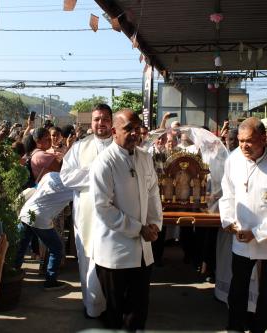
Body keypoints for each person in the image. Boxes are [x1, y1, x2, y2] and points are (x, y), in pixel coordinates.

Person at [219, 117, 267, 333]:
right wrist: (228, 220)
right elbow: (228, 194)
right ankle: (235, 326)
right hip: (242, 236)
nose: (244, 145)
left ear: (263, 139)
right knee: (238, 287)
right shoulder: (233, 160)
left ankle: (260, 328)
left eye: (250, 141)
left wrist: (258, 232)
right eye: (241, 140)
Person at [90, 109, 163, 330]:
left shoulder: (145, 157)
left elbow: (153, 193)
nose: (134, 133)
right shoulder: (104, 163)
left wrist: (154, 225)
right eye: (128, 128)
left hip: (142, 250)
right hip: (115, 254)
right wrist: (138, 228)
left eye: (137, 128)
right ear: (114, 131)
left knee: (139, 310)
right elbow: (103, 208)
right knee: (115, 311)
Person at [60, 103, 113, 318]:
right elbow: (66, 177)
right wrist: (95, 173)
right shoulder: (80, 147)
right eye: (97, 119)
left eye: (105, 119)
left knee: (111, 260)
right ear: (91, 122)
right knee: (88, 258)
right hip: (88, 215)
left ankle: (112, 305)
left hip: (113, 215)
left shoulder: (120, 147)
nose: (101, 123)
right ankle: (92, 306)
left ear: (111, 122)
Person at [15, 172, 72, 290]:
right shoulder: (73, 187)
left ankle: (14, 274)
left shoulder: (50, 175)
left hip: (26, 212)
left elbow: (36, 188)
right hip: (41, 218)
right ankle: (50, 281)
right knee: (56, 248)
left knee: (20, 247)